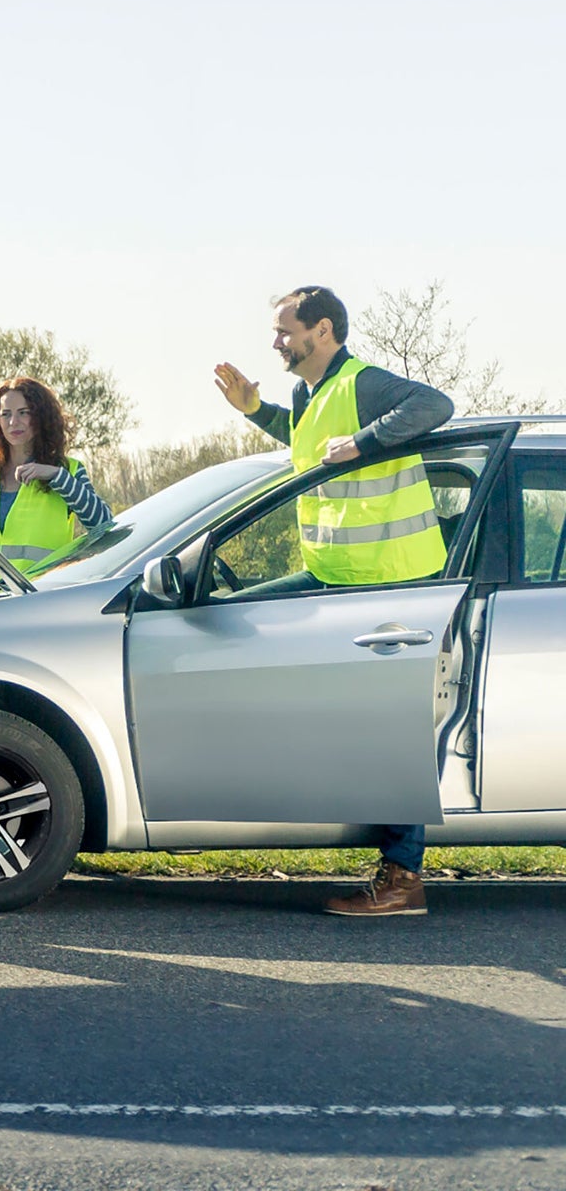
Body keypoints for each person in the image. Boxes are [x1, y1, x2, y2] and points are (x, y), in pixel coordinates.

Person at [213, 285, 454, 918]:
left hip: (391, 584)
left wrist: (364, 442)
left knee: (392, 730)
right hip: (334, 573)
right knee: (217, 616)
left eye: (285, 331)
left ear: (322, 331)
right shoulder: (306, 393)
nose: (276, 343)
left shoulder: (364, 384)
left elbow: (437, 404)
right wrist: (254, 409)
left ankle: (403, 879)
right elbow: (306, 439)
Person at [0, 376, 114, 584]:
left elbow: (104, 526)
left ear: (41, 417)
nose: (14, 422)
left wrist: (57, 477)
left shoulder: (69, 471)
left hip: (38, 601)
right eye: (6, 414)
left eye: (24, 413)